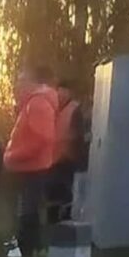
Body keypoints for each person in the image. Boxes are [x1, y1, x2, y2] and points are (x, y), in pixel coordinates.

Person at [3, 64, 58, 257]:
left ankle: (27, 252)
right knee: (27, 210)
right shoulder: (31, 103)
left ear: (32, 82)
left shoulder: (38, 104)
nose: (18, 84)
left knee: (28, 211)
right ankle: (26, 249)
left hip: (32, 168)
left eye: (22, 80)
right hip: (28, 167)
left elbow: (41, 139)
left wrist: (13, 156)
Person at [47, 78, 87, 224]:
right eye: (59, 91)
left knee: (66, 194)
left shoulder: (74, 110)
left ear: (69, 93)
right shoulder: (53, 108)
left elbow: (78, 135)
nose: (60, 94)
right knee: (53, 194)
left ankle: (66, 222)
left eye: (64, 91)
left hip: (68, 160)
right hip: (54, 159)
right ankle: (52, 222)